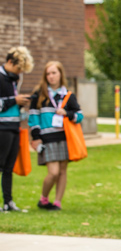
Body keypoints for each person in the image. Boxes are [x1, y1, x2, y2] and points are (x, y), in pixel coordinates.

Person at [28, 61, 84, 211]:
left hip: (64, 138)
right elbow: (33, 118)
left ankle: (57, 202)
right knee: (53, 172)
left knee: (63, 171)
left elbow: (79, 116)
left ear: (60, 74)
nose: (51, 76)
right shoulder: (39, 95)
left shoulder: (67, 95)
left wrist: (68, 113)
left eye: (54, 73)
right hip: (47, 138)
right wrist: (36, 137)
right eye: (48, 73)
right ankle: (43, 199)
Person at [0, 46, 34, 212]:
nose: (19, 73)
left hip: (14, 127)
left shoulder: (13, 80)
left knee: (9, 167)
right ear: (9, 61)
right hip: (2, 128)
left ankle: (8, 202)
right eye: (18, 68)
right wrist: (15, 100)